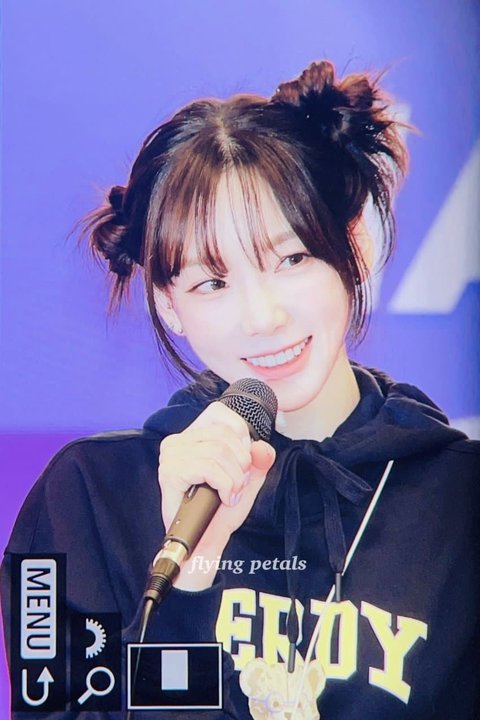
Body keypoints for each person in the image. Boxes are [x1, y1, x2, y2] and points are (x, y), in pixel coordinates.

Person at [2, 60, 479, 720]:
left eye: (291, 259)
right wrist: (190, 579)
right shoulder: (81, 502)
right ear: (167, 304)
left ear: (355, 250)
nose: (263, 317)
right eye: (213, 283)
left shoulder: (460, 502)